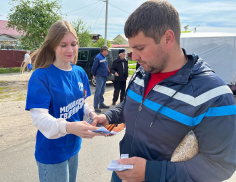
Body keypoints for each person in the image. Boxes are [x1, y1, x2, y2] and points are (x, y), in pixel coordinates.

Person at [92, 1, 236, 182]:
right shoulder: (143, 71)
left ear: (168, 38)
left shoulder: (213, 94)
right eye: (132, 48)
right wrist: (109, 117)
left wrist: (150, 172)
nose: (134, 57)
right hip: (123, 172)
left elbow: (219, 165)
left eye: (140, 48)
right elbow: (133, 104)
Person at [25, 20, 105, 182]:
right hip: (52, 153)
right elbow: (39, 118)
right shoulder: (41, 76)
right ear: (52, 46)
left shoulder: (79, 72)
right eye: (63, 45)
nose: (70, 50)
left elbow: (80, 103)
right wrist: (68, 127)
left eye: (73, 44)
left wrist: (91, 113)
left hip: (73, 147)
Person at [91, 45, 110, 113]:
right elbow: (94, 67)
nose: (108, 52)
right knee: (98, 92)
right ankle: (96, 106)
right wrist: (94, 74)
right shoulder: (98, 57)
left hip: (104, 76)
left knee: (102, 92)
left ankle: (101, 104)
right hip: (99, 77)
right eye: (107, 50)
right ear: (103, 50)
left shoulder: (103, 57)